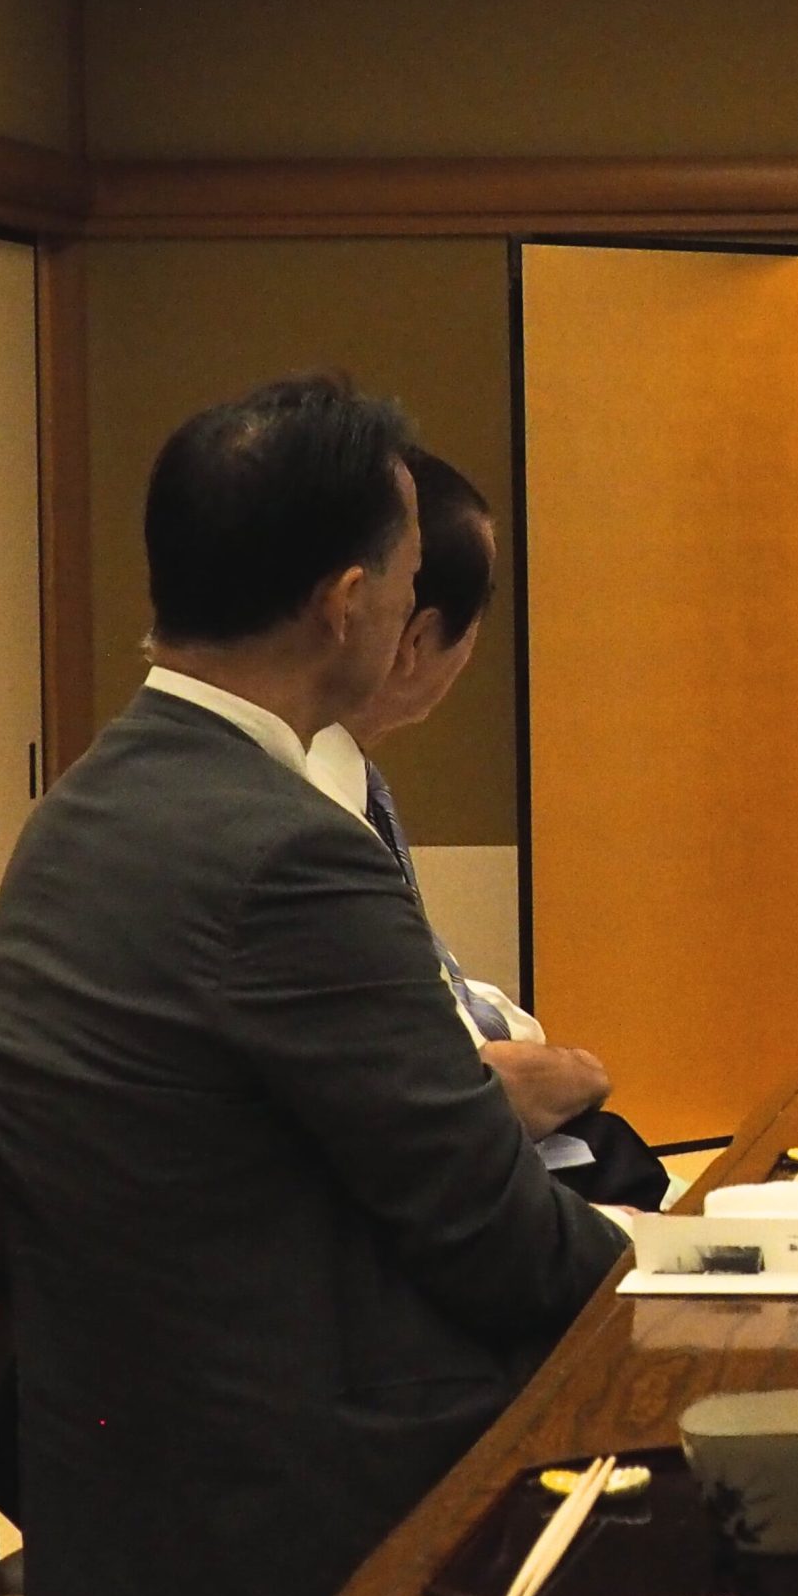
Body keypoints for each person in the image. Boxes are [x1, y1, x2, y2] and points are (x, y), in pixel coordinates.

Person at [0, 376, 626, 1596]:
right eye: (404, 582)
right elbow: (497, 1239)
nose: (407, 615)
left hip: (120, 1503)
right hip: (302, 1525)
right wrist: (677, 1279)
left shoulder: (72, 819)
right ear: (347, 602)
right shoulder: (286, 855)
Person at [303, 449, 669, 1210]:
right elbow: (434, 1089)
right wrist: (534, 1067)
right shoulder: (300, 822)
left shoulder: (336, 779)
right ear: (410, 634)